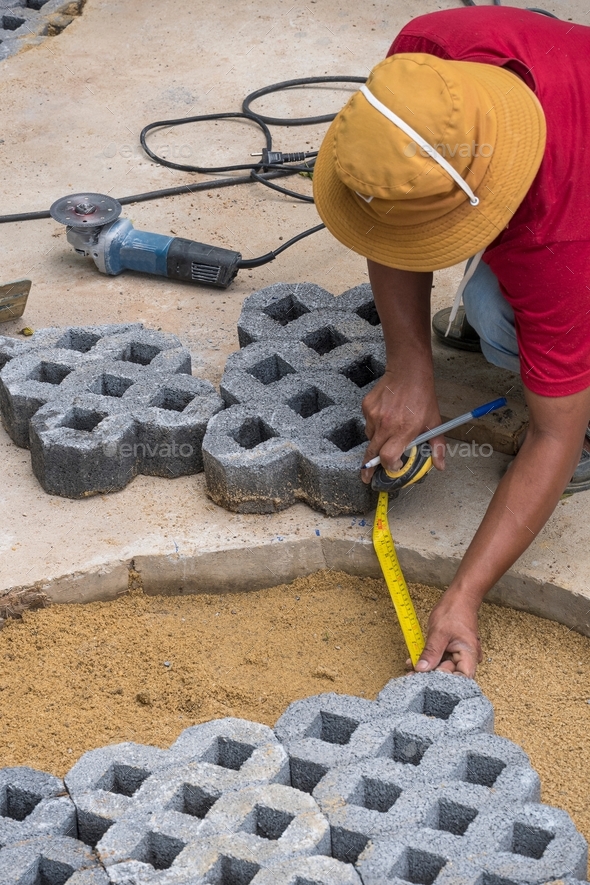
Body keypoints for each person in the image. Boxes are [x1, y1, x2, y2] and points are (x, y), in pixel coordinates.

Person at [312, 4, 590, 678]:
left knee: (503, 326)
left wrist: (463, 594)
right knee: (496, 305)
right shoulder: (424, 57)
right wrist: (412, 369)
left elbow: (551, 434)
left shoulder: (559, 232)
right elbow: (392, 222)